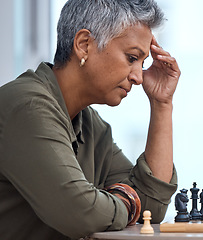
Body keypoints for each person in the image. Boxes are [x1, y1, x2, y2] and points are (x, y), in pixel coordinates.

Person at [0, 0, 180, 239]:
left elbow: (151, 208)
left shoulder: (90, 124)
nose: (139, 77)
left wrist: (161, 104)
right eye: (131, 58)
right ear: (84, 45)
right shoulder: (27, 106)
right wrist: (129, 202)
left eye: (143, 63)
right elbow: (80, 213)